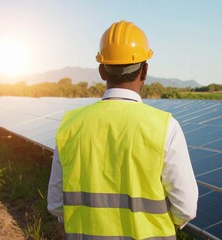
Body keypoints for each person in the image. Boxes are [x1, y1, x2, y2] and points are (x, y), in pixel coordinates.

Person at [47, 20, 198, 239]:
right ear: (145, 70)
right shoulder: (165, 127)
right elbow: (186, 208)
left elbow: (56, 205)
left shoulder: (70, 125)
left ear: (101, 70)